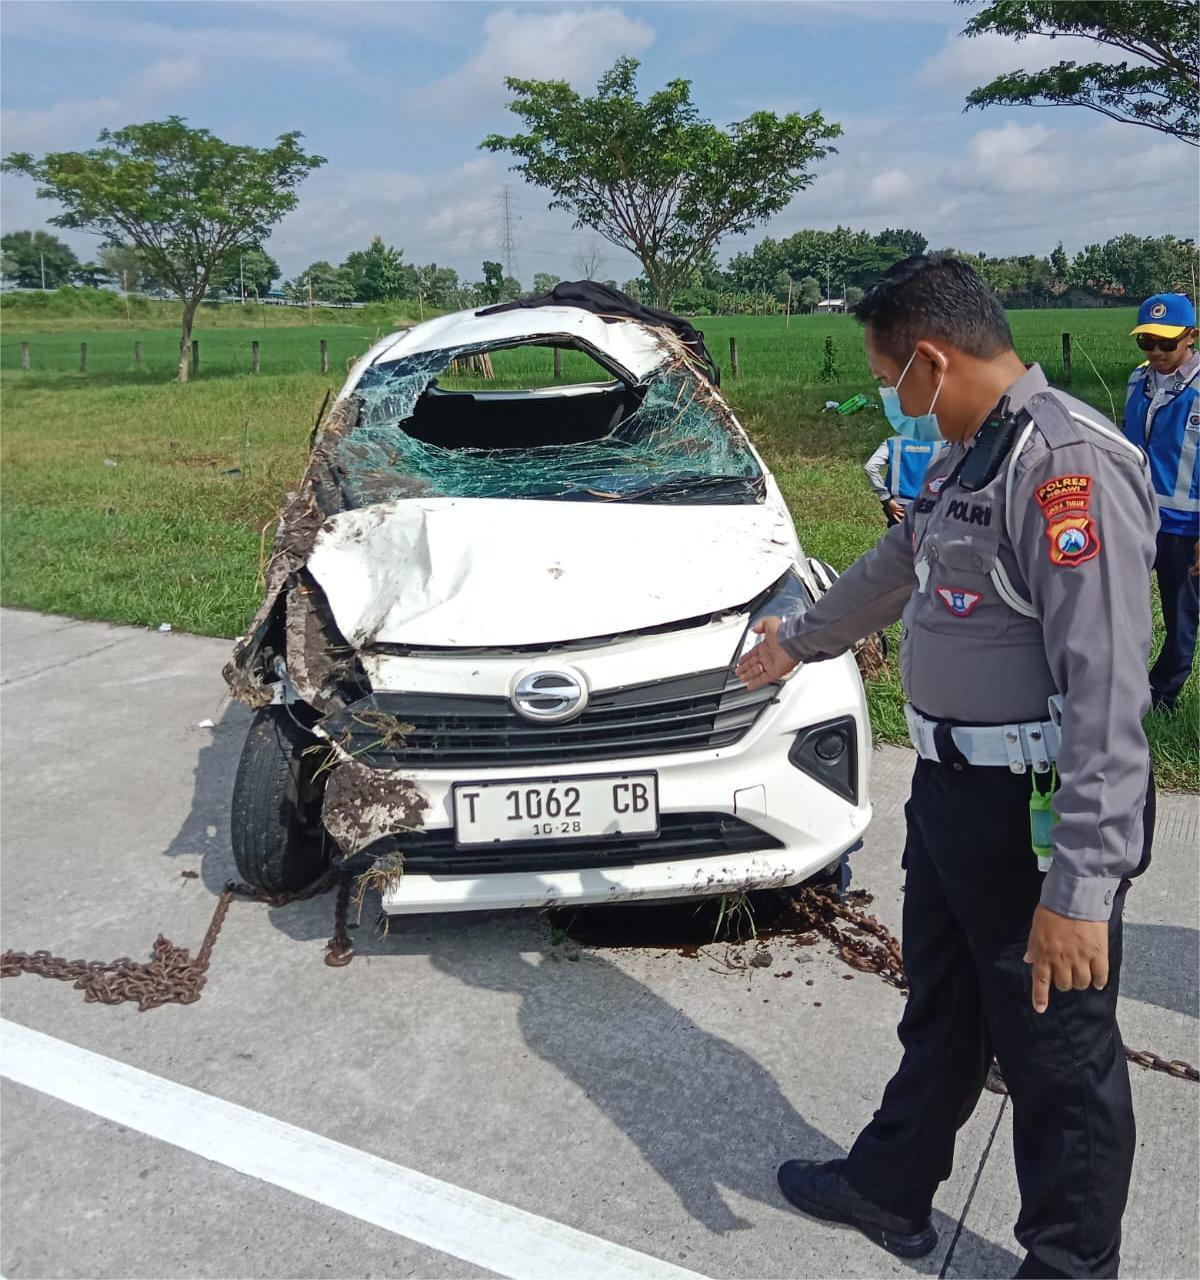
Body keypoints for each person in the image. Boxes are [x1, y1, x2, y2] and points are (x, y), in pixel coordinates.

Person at [736, 255, 1158, 1279]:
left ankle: (1071, 1264)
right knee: (943, 1004)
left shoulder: (1065, 469)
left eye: (891, 377)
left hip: (1034, 813)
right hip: (956, 794)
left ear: (931, 359)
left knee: (1058, 1053)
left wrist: (1081, 889)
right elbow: (902, 563)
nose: (892, 396)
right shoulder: (969, 454)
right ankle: (892, 1184)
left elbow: (1107, 694)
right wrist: (800, 640)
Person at [1122, 291, 1199, 713]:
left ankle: (1163, 694)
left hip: (1185, 527)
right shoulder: (1139, 380)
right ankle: (1122, 681)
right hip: (1134, 517)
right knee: (1121, 605)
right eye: (1146, 341)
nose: (1156, 352)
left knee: (1180, 615)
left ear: (1191, 337)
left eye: (1166, 343)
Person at [863, 432, 948, 526]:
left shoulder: (893, 442)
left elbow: (870, 467)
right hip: (931, 505)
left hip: (899, 506)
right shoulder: (944, 444)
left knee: (898, 535)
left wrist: (886, 499)